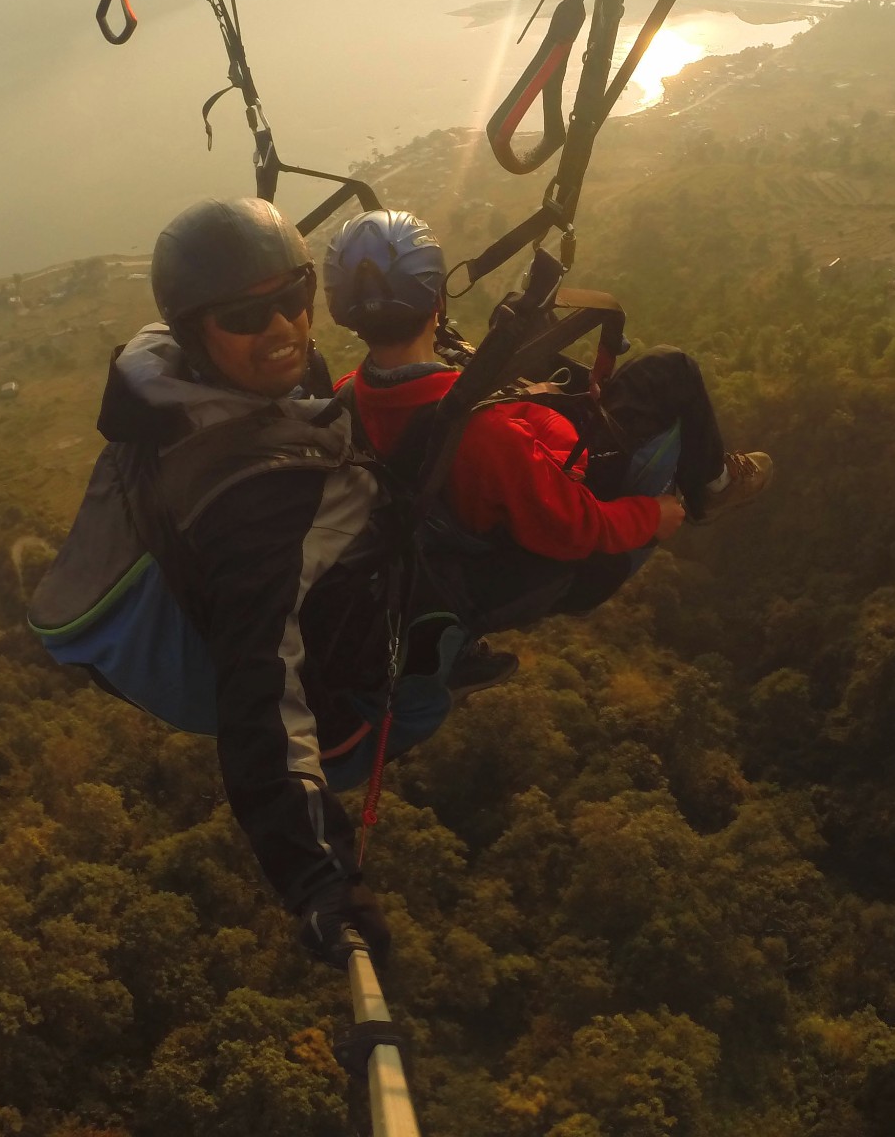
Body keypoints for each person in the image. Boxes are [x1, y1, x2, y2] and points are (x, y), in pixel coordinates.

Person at [84, 195, 397, 970]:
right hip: (347, 707)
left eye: (294, 297)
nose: (284, 328)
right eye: (248, 318)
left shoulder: (168, 379)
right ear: (195, 332)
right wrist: (318, 880)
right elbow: (258, 692)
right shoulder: (257, 507)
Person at [323, 209, 770, 638]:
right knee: (671, 369)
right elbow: (574, 527)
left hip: (493, 475)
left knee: (520, 318)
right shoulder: (485, 436)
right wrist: (649, 516)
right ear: (438, 299)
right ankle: (714, 484)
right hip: (565, 517)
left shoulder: (350, 396)